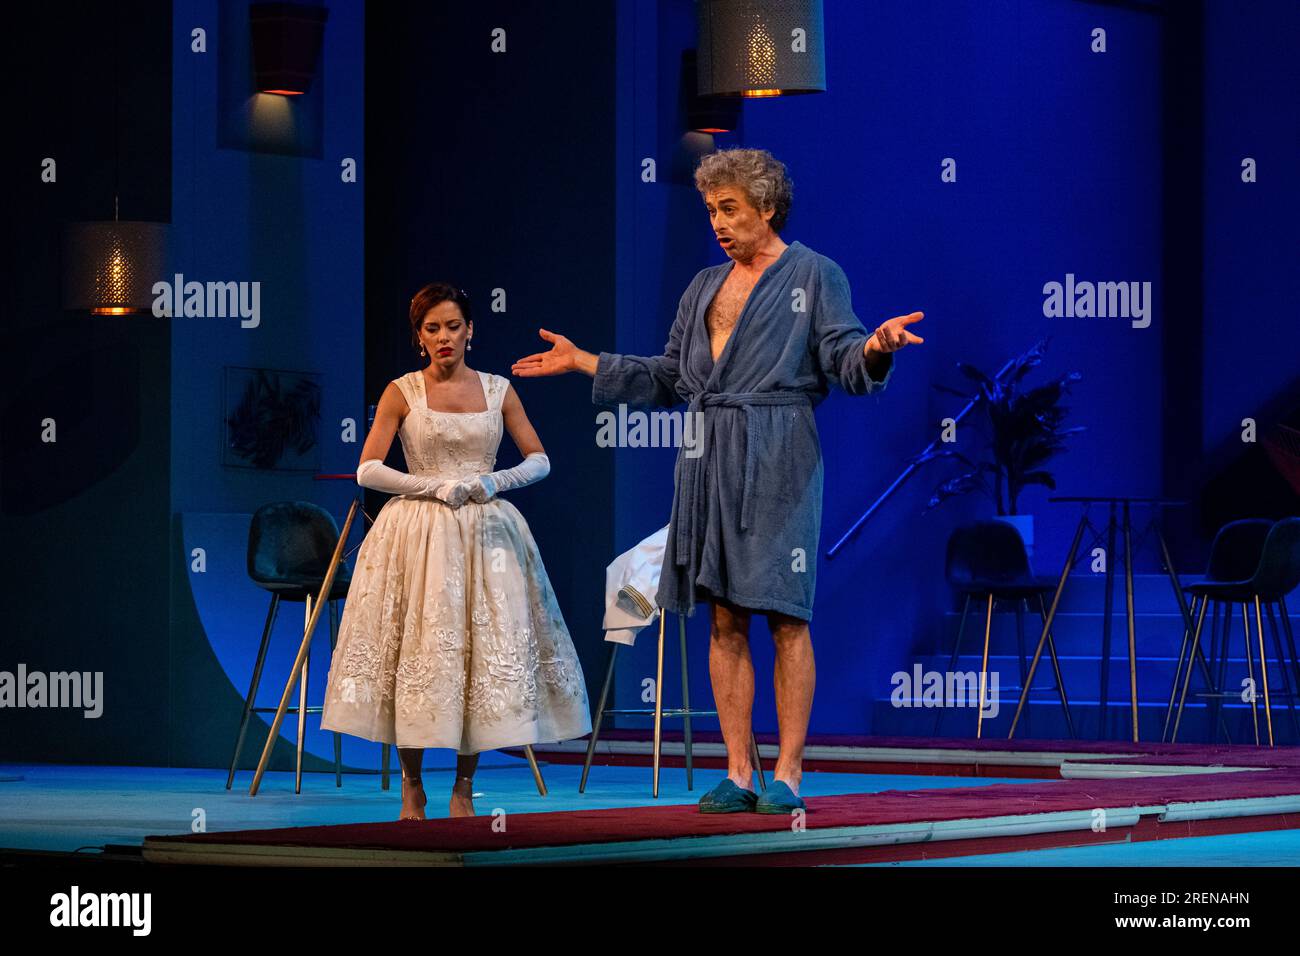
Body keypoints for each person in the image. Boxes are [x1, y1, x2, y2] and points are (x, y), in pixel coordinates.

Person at [512, 148, 924, 814]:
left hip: (779, 451)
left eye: (729, 209)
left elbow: (846, 359)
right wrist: (585, 361)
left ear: (767, 207)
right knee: (724, 617)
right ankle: (739, 770)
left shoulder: (816, 275)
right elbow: (671, 378)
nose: (718, 223)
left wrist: (877, 347)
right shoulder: (704, 286)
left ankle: (787, 773)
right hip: (706, 455)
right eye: (711, 211)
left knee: (786, 614)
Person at [321, 282, 591, 821]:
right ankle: (411, 785)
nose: (443, 337)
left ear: (471, 329)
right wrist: (430, 486)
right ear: (419, 337)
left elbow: (539, 459)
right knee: (417, 654)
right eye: (431, 328)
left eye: (452, 326)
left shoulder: (498, 390)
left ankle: (465, 788)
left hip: (484, 531)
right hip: (418, 531)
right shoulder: (404, 391)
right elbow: (368, 468)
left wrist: (495, 482)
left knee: (477, 655)